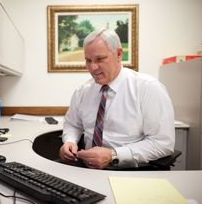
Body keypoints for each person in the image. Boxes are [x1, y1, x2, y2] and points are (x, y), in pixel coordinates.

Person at [59, 29, 175, 169]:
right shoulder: (83, 91)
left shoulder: (148, 88)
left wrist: (113, 155)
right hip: (87, 169)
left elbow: (163, 143)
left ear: (119, 54)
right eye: (88, 60)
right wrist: (70, 141)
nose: (92, 68)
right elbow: (73, 124)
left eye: (100, 59)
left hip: (131, 171)